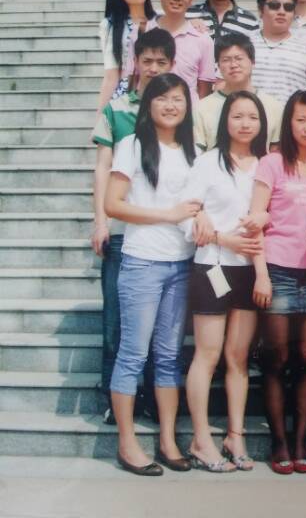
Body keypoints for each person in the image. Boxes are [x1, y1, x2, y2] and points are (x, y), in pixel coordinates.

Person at [104, 73, 200, 476]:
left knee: (169, 357)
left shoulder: (195, 152)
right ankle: (127, 444)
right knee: (133, 354)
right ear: (149, 104)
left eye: (178, 98)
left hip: (182, 264)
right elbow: (113, 205)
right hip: (143, 262)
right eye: (162, 98)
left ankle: (167, 440)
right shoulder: (131, 145)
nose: (170, 105)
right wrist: (168, 215)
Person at [91, 29, 175, 425]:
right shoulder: (118, 108)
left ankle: (155, 398)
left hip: (165, 239)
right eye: (147, 61)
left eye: (162, 62)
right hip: (124, 232)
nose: (154, 68)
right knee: (116, 322)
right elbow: (103, 168)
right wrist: (100, 220)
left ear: (172, 64)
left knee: (161, 328)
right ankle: (114, 398)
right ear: (135, 62)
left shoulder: (179, 108)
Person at [182, 91, 269, 473]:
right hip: (213, 267)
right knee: (208, 354)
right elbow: (187, 218)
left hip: (250, 270)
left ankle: (236, 436)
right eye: (237, 116)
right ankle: (201, 440)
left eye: (252, 117)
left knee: (238, 357)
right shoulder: (207, 162)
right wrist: (221, 237)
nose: (245, 123)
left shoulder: (266, 164)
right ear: (225, 121)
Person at [249, 91, 306, 475]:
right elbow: (255, 220)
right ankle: (279, 441)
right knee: (277, 357)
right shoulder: (271, 163)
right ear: (288, 123)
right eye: (301, 120)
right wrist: (261, 274)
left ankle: (301, 441)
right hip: (278, 270)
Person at [194, 33, 283, 151]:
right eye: (226, 60)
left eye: (239, 58)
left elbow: (275, 152)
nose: (233, 65)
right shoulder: (202, 108)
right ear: (218, 66)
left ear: (253, 62)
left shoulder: (274, 106)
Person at [96, 0, 158, 109]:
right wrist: (99, 118)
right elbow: (111, 76)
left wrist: (194, 22)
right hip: (125, 103)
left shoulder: (161, 20)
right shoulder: (111, 26)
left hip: (159, 98)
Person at [250, 0, 306, 105]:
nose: (282, 12)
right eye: (274, 6)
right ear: (260, 9)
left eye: (288, 7)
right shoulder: (242, 45)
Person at [155, 0, 216, 103]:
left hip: (188, 114)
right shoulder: (143, 31)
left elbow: (204, 92)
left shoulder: (202, 39)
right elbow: (134, 80)